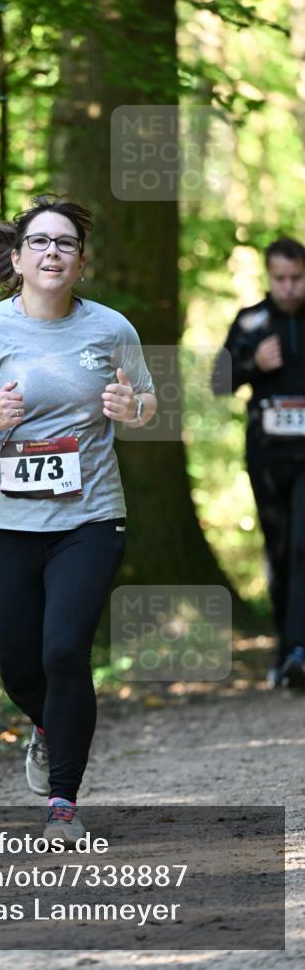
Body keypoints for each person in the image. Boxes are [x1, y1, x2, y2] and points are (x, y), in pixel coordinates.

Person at [0, 193, 157, 846]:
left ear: (79, 262)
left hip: (89, 521)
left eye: (64, 243)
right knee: (22, 670)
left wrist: (129, 408)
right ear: (17, 257)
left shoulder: (110, 329)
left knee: (64, 652)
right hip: (8, 525)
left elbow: (144, 401)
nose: (52, 251)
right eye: (39, 242)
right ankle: (46, 725)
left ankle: (63, 803)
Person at [212, 237, 305, 689]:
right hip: (268, 457)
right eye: (280, 279)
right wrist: (254, 362)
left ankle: (299, 650)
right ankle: (285, 652)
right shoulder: (251, 321)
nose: (288, 287)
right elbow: (219, 381)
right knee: (280, 550)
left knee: (304, 545)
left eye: (297, 278)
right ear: (269, 277)